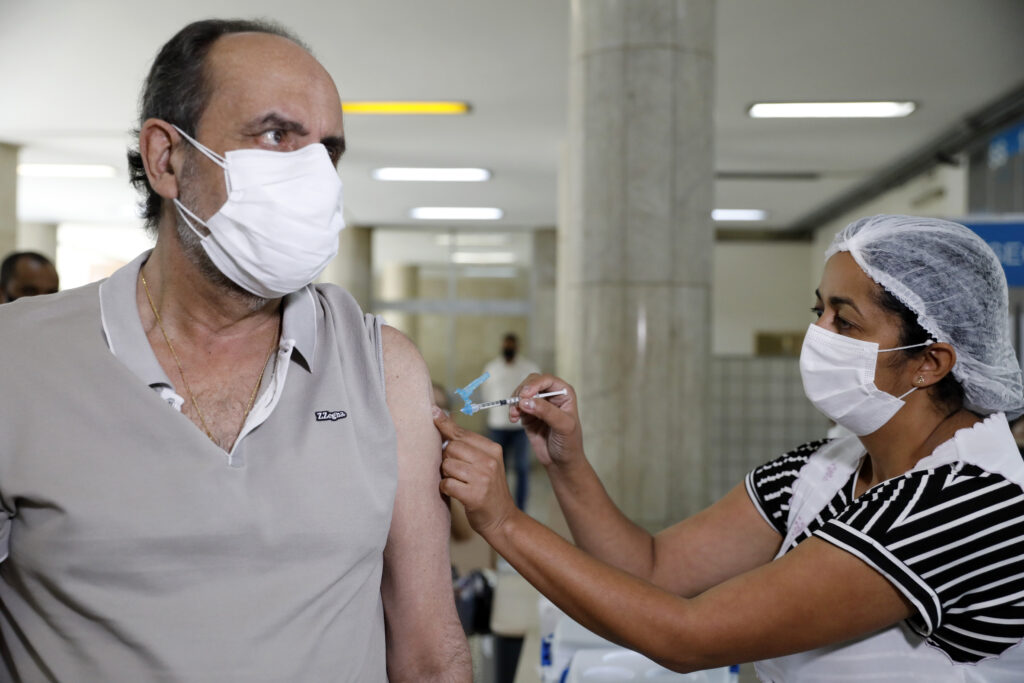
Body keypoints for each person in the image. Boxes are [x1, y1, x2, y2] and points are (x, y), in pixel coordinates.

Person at [0, 19, 470, 681]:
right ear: (167, 158)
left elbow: (429, 653)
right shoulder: (16, 363)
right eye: (276, 136)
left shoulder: (381, 368)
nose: (313, 177)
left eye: (327, 151)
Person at [435, 215, 1024, 680]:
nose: (817, 336)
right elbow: (653, 570)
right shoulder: (823, 468)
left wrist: (505, 524)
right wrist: (567, 462)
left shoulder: (967, 503)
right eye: (819, 311)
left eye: (845, 323)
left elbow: (687, 636)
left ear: (929, 362)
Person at [481, 332, 540, 510]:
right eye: (505, 345)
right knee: (498, 468)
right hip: (497, 425)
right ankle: (500, 505)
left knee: (522, 468)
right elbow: (486, 394)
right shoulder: (491, 368)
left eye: (511, 345)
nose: (508, 348)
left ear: (517, 347)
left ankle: (521, 508)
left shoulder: (528, 368)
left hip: (520, 426)